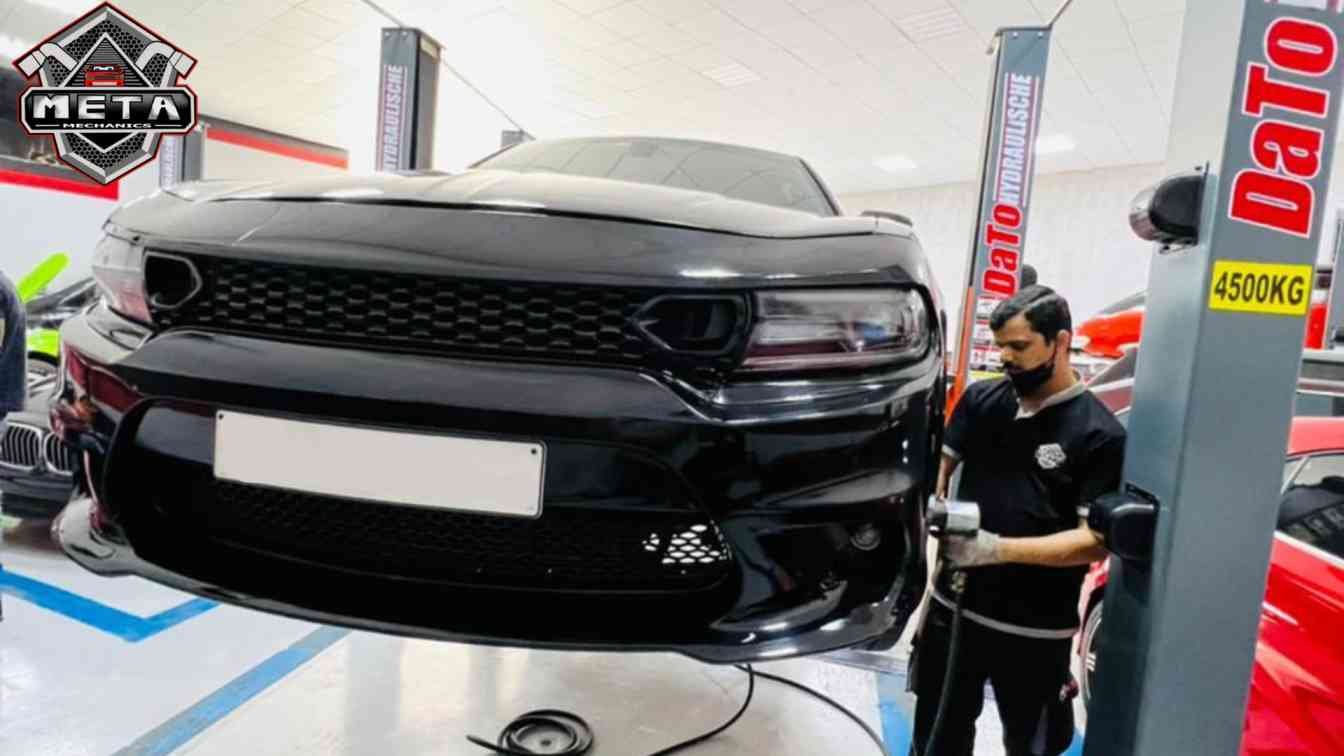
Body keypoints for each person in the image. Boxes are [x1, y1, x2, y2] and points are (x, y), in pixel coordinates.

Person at [911, 285, 1126, 755]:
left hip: (1033, 628)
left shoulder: (1099, 434)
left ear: (1060, 342)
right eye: (1001, 346)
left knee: (1033, 745)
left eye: (1020, 347)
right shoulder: (983, 401)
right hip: (955, 611)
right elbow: (940, 468)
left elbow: (1093, 541)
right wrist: (931, 500)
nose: (1006, 357)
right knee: (935, 738)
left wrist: (996, 549)